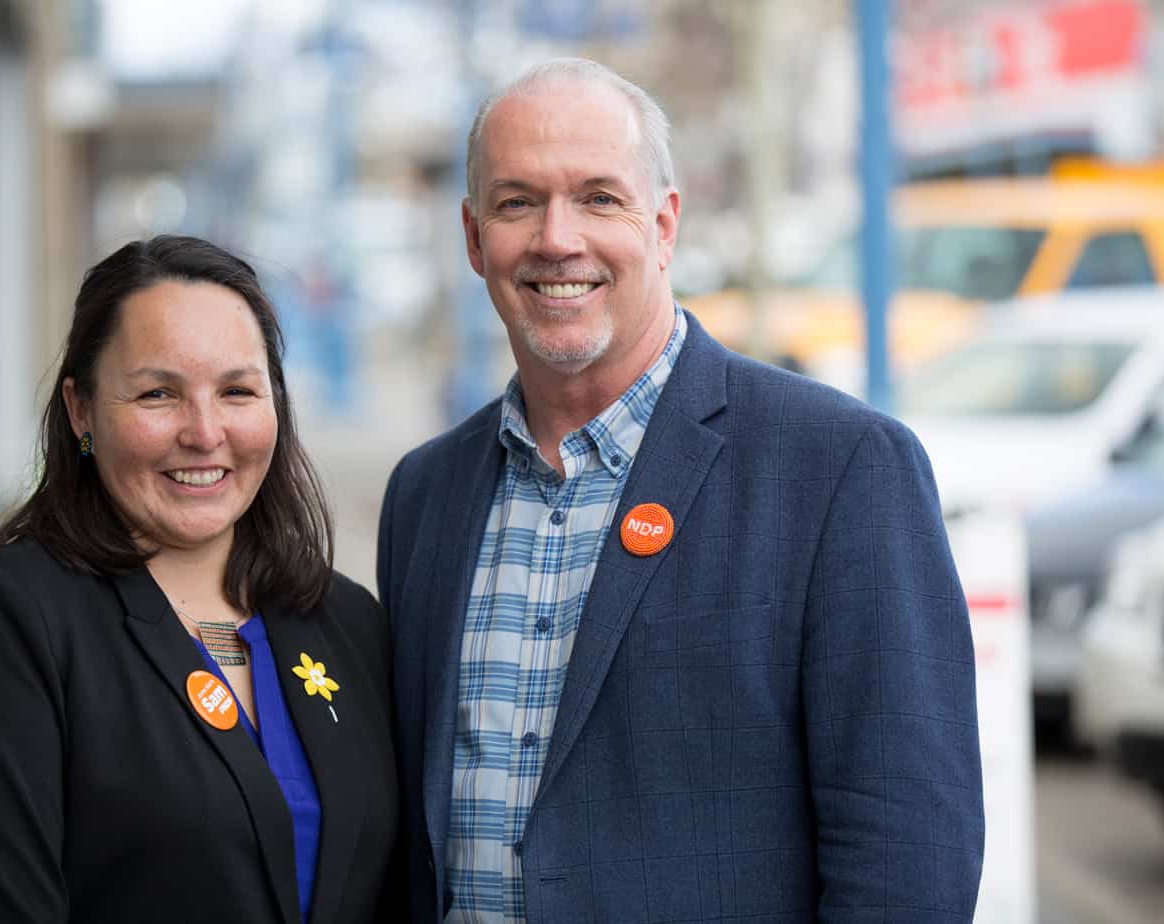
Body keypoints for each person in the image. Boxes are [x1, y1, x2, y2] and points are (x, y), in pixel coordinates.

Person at [378, 58, 984, 922]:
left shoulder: (840, 469)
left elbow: (908, 859)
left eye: (598, 197)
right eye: (517, 202)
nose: (557, 238)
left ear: (663, 225)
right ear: (475, 240)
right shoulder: (424, 497)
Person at [0, 236, 397, 923]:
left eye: (237, 390)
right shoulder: (0, 623)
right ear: (81, 410)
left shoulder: (345, 620)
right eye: (159, 392)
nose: (204, 431)